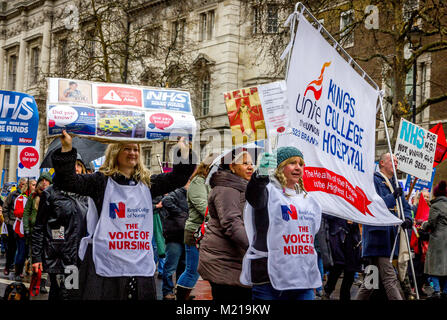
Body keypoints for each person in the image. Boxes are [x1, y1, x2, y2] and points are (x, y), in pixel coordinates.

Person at [44, 130, 195, 300]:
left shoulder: (147, 183)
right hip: (106, 265)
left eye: (136, 149)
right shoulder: (100, 182)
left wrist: (182, 151)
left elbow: (179, 177)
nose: (133, 153)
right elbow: (67, 181)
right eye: (127, 149)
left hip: (138, 266)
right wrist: (66, 148)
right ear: (115, 152)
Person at [241, 147, 322, 300]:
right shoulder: (267, 192)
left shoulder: (308, 199)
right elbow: (254, 196)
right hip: (268, 278)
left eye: (301, 164)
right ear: (280, 166)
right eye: (292, 163)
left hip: (301, 278)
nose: (298, 167)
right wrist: (259, 176)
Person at [356, 153, 413, 300]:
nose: (396, 163)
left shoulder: (395, 184)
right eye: (392, 160)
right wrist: (393, 196)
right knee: (390, 279)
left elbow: (405, 206)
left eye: (396, 161)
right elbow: (374, 205)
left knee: (370, 283)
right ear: (382, 163)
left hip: (390, 239)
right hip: (378, 238)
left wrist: (407, 218)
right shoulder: (374, 180)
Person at [198, 149, 254, 300]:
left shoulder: (241, 187)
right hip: (224, 261)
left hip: (234, 259)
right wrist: (254, 247)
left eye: (251, 163)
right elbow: (231, 223)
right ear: (232, 166)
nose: (250, 167)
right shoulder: (227, 189)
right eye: (245, 163)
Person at [31, 158, 88, 300]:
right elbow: (39, 227)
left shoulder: (85, 194)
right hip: (57, 255)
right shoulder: (50, 193)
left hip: (77, 255)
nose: (75, 168)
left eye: (79, 165)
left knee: (67, 294)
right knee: (63, 294)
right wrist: (36, 257)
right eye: (71, 164)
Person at [176, 153, 218, 300]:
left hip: (208, 232)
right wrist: (220, 218)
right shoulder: (198, 181)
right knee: (192, 271)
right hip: (196, 232)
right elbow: (203, 206)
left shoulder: (210, 182)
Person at [23, 172, 53, 293]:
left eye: (47, 181)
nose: (44, 183)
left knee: (46, 259)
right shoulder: (33, 196)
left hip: (47, 233)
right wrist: (26, 228)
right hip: (33, 232)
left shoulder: (52, 196)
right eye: (42, 180)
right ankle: (35, 282)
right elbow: (26, 213)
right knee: (35, 257)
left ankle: (42, 283)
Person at [322, 215, 362, 300]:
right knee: (337, 268)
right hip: (337, 239)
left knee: (350, 273)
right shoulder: (333, 204)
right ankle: (327, 291)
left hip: (352, 242)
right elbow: (326, 216)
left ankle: (344, 297)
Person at [161, 184, 190, 300]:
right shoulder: (178, 192)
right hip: (175, 235)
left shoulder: (189, 194)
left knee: (182, 266)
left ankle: (179, 291)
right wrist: (181, 214)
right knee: (170, 266)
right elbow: (166, 200)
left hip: (184, 235)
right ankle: (167, 291)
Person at [421, 180, 447, 299]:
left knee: (434, 265)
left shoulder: (436, 206)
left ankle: (436, 291)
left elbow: (431, 224)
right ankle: (445, 291)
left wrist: (423, 225)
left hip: (438, 240)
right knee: (445, 266)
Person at [2, 178, 27, 276]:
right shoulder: (13, 195)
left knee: (21, 248)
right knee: (11, 247)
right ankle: (7, 267)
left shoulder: (27, 196)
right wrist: (7, 221)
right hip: (12, 224)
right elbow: (5, 207)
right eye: (24, 184)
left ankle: (19, 270)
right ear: (20, 185)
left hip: (23, 225)